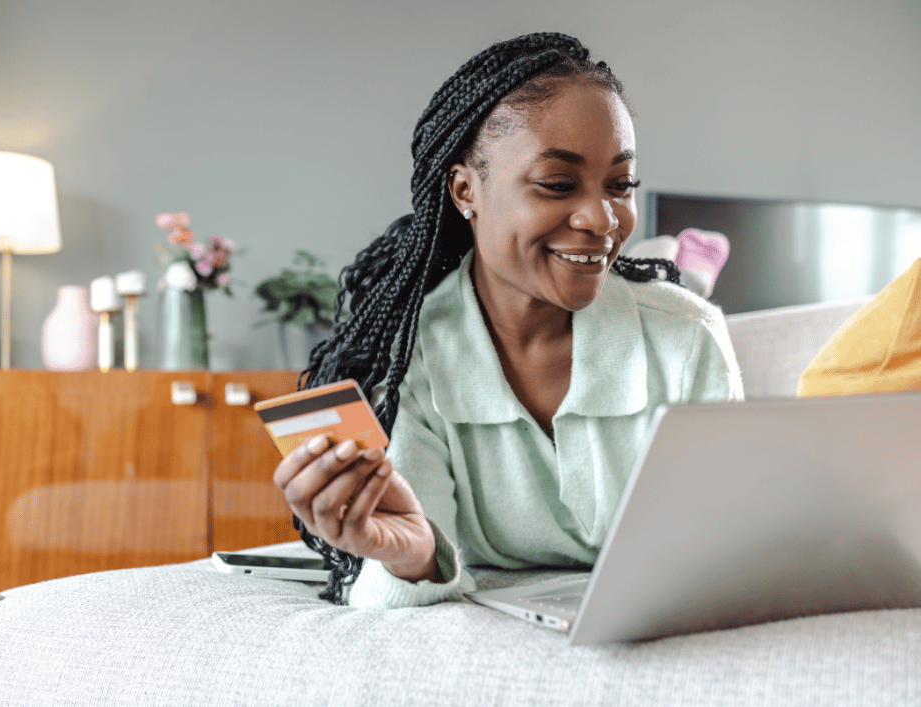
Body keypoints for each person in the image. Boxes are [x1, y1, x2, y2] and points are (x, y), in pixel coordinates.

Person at [273, 33, 744, 608]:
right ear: (465, 189)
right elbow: (411, 564)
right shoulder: (409, 357)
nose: (603, 219)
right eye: (558, 184)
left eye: (620, 185)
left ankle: (688, 266)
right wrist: (411, 557)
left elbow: (722, 550)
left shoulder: (687, 338)